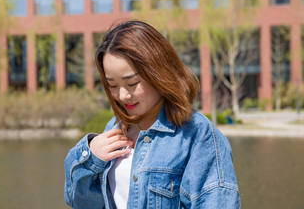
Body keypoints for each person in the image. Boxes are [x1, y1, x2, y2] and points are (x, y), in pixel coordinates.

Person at [64, 20, 241, 208]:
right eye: (112, 85)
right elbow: (82, 203)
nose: (122, 95)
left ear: (158, 73)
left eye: (132, 83)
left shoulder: (197, 134)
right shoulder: (114, 128)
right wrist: (91, 157)